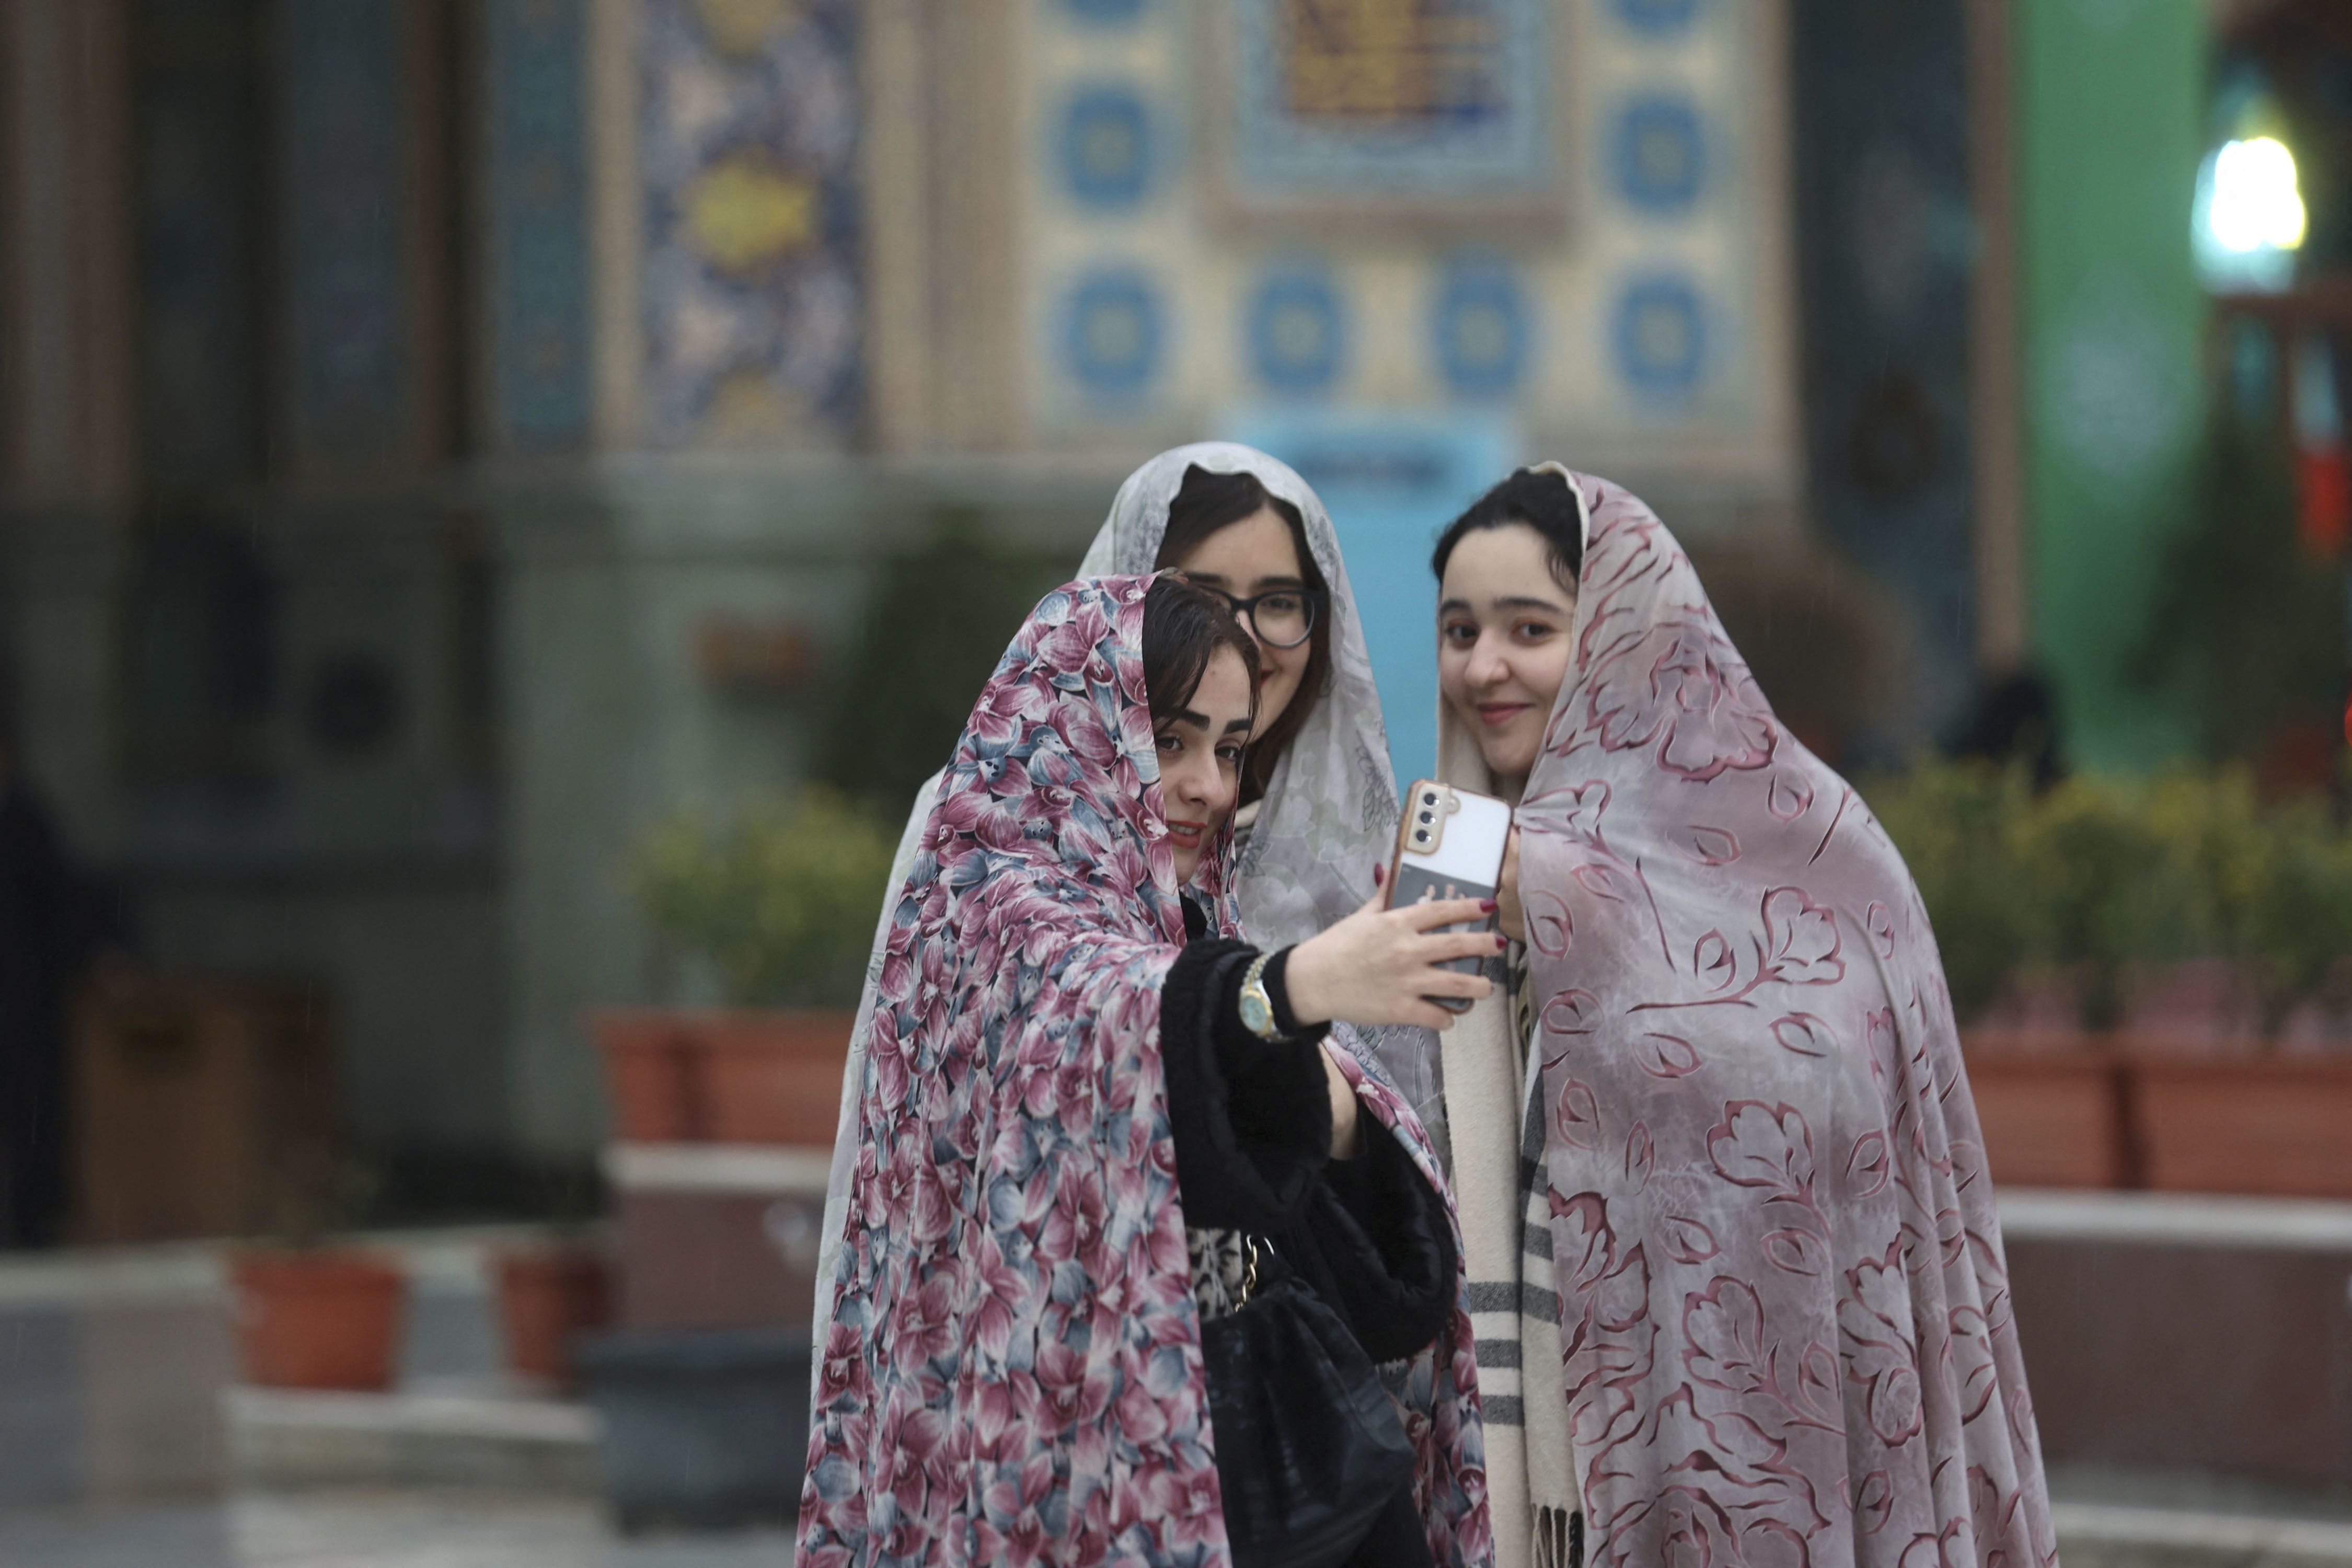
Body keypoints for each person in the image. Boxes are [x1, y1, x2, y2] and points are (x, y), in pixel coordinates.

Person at [1426, 466, 2055, 1568]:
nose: (1485, 667)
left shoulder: (1814, 842)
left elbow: (1833, 1117)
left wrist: (1587, 918)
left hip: (1767, 1437)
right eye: (1458, 629)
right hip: (1535, 1471)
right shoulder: (1454, 855)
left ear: (1629, 634)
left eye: (1529, 628)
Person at [798, 577, 1492, 1568]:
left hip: (1270, 1437)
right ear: (1078, 727)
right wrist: (1290, 990)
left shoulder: (1194, 925)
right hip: (1066, 1460)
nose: (1209, 785)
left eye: (1230, 748)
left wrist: (1335, 1106)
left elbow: (1362, 1269)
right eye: (1170, 740)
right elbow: (1100, 1004)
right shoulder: (983, 904)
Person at [811, 445, 1443, 1387]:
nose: (1242, 632)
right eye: (1201, 591)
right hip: (1051, 1372)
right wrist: (1287, 997)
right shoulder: (997, 820)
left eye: (1278, 600)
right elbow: (1069, 996)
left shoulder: (1331, 847)